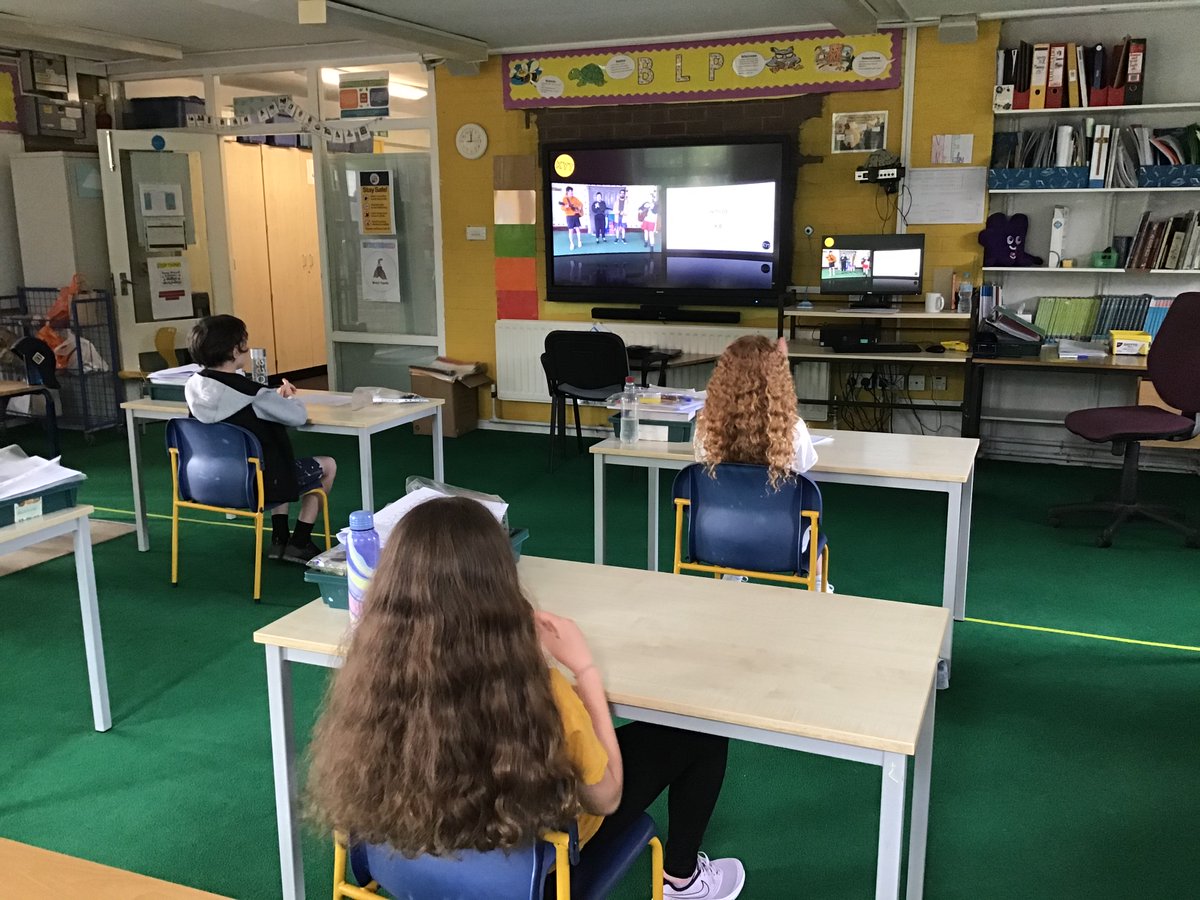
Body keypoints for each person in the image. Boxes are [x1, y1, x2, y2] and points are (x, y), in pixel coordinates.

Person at [306, 497, 746, 900]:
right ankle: (683, 881)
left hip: (407, 858)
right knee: (701, 735)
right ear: (499, 582)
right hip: (535, 871)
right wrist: (586, 672)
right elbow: (607, 798)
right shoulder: (537, 690)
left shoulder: (371, 677)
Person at [184, 315, 337, 564]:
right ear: (236, 350)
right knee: (326, 465)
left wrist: (271, 400)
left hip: (209, 482)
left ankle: (279, 539)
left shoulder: (193, 386)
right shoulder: (253, 394)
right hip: (257, 485)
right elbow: (297, 416)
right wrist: (284, 399)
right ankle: (299, 542)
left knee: (273, 458)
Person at [695, 334, 818, 485]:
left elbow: (702, 461)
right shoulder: (793, 430)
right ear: (776, 381)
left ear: (723, 379)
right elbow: (803, 468)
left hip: (719, 508)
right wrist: (783, 366)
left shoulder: (708, 428)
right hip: (775, 507)